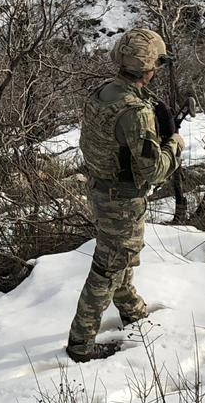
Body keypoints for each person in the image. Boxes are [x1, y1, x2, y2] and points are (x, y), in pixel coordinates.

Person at [65, 28, 185, 362]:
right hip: (121, 199)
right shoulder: (136, 111)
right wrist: (174, 139)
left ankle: (132, 310)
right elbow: (153, 170)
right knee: (107, 269)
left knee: (120, 257)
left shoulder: (104, 91)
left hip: (103, 189)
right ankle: (80, 345)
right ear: (149, 68)